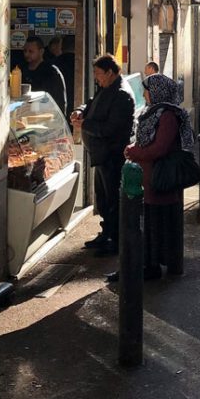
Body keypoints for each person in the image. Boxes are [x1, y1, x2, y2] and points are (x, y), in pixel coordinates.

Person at [121, 74, 193, 281]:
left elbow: (160, 148)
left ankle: (151, 267)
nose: (144, 94)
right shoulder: (154, 112)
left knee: (154, 226)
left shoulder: (167, 116)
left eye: (147, 90)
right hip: (148, 178)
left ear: (157, 92)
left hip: (157, 180)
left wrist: (135, 152)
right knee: (149, 224)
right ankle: (147, 264)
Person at [72, 55, 135, 257]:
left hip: (112, 155)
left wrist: (85, 124)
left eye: (99, 74)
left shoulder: (121, 94)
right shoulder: (108, 87)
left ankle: (115, 241)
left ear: (110, 72)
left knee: (113, 199)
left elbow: (111, 129)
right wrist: (80, 111)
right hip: (100, 154)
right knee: (103, 199)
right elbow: (92, 104)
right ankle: (106, 233)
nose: (96, 78)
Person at [20, 35, 67, 114]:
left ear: (41, 51)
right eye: (25, 51)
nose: (27, 54)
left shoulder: (51, 72)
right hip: (23, 113)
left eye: (31, 51)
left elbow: (57, 99)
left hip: (45, 114)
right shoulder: (21, 70)